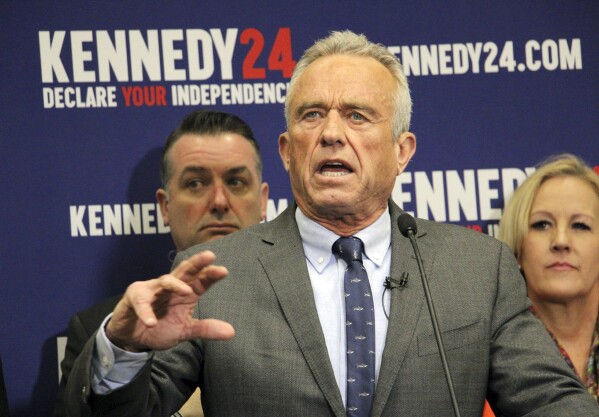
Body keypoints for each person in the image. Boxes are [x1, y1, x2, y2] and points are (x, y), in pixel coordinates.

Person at [64, 30, 599, 417]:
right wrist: (126, 349)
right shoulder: (215, 275)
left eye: (358, 116)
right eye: (312, 115)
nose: (331, 134)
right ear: (288, 151)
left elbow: (551, 400)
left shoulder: (476, 268)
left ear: (402, 151)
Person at [53, 109, 269, 417]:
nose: (219, 201)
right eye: (196, 183)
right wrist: (126, 349)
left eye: (236, 181)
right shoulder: (106, 332)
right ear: (165, 206)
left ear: (262, 201)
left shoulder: (307, 307)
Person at [498, 154, 599, 403]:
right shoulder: (488, 351)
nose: (561, 242)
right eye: (542, 225)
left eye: (580, 226)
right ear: (518, 245)